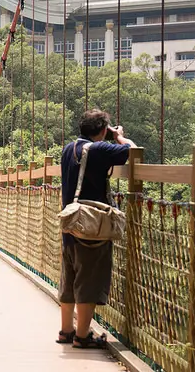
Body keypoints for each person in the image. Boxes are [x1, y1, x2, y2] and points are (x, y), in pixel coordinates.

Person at [56, 109, 136, 349]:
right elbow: (132, 150)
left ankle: (66, 330)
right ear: (102, 129)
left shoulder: (68, 149)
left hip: (70, 224)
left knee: (69, 278)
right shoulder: (98, 149)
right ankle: (82, 336)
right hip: (91, 227)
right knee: (88, 280)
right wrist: (119, 135)